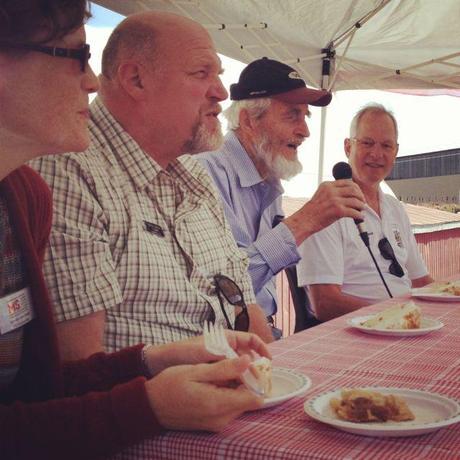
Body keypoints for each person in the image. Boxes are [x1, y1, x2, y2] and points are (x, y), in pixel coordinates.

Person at [0, 2, 270, 458]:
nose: (90, 82)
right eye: (76, 56)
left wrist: (153, 361)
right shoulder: (58, 174)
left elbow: (37, 385)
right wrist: (149, 403)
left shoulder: (21, 195)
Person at [31, 10, 274, 360]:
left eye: (218, 75)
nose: (221, 92)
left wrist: (277, 381)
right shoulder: (68, 169)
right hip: (157, 410)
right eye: (201, 73)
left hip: (235, 396)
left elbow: (244, 305)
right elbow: (81, 370)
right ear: (136, 80)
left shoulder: (194, 173)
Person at [197, 58, 366, 336]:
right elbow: (223, 289)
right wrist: (305, 221)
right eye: (292, 115)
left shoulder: (269, 177)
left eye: (305, 116)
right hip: (222, 348)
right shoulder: (207, 172)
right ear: (249, 121)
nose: (305, 131)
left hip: (265, 336)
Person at [297, 103, 434, 322]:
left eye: (386, 146)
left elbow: (421, 280)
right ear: (348, 147)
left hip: (404, 323)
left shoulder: (395, 208)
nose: (377, 154)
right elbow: (324, 303)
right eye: (367, 143)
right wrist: (392, 315)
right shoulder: (325, 209)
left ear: (396, 152)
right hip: (356, 332)